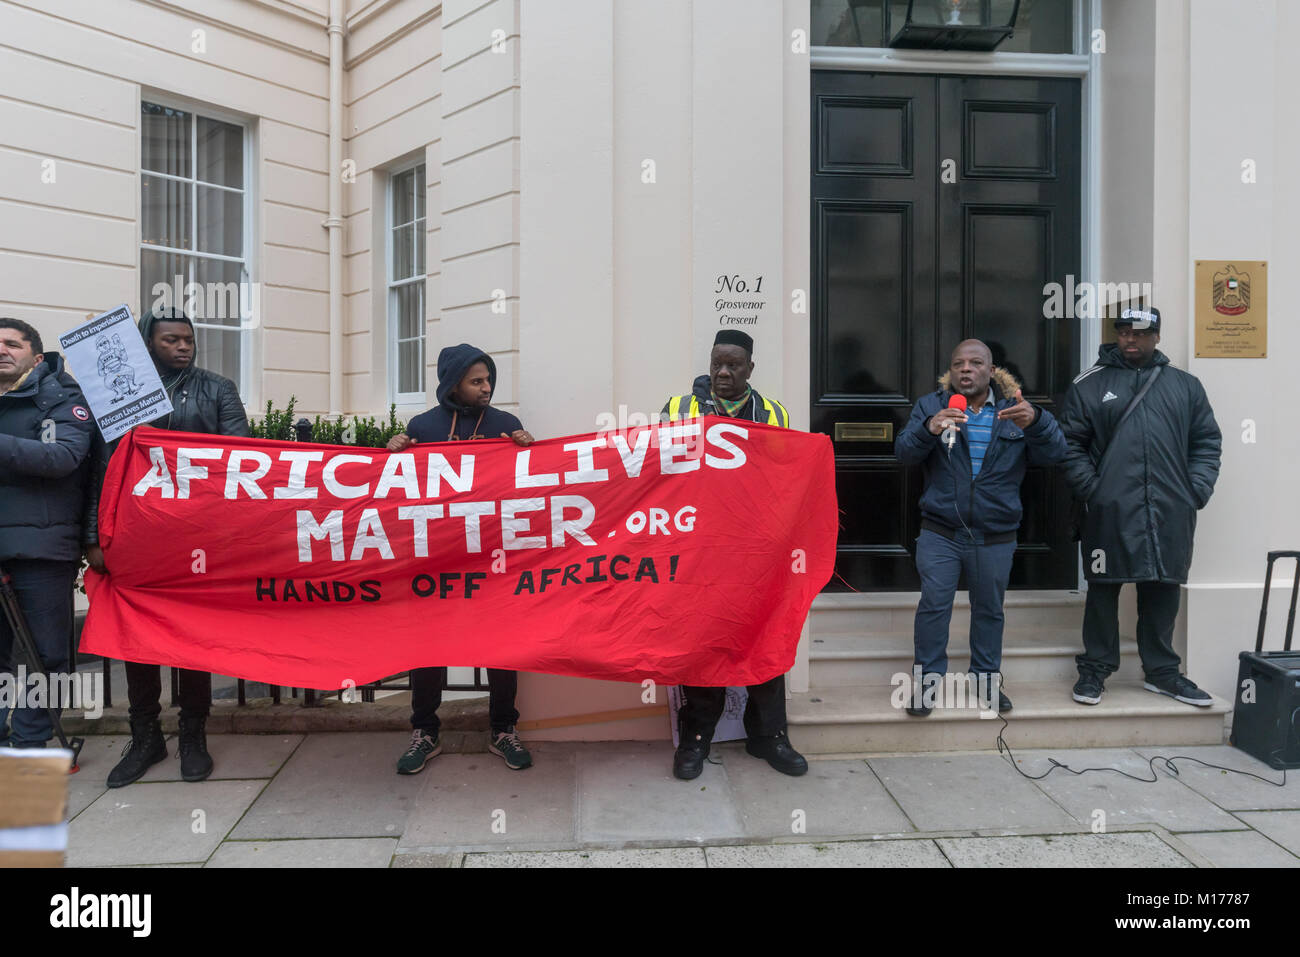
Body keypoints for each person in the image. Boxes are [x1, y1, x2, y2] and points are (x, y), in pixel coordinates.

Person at [87, 308, 250, 787]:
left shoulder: (218, 389)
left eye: (188, 340)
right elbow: (100, 471)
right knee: (137, 636)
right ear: (146, 344)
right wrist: (92, 539)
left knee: (192, 635)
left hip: (196, 538)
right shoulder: (119, 395)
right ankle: (145, 737)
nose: (183, 347)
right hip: (136, 537)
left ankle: (193, 733)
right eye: (170, 340)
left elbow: (239, 460)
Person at [894, 340, 1068, 716]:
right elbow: (904, 452)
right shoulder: (931, 405)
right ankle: (926, 686)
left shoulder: (1015, 409)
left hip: (995, 534)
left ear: (991, 370)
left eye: (975, 363)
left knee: (989, 610)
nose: (965, 370)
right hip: (941, 531)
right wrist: (929, 427)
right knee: (934, 607)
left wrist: (1037, 423)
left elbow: (1056, 454)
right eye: (958, 363)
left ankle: (986, 681)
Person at [1059, 307, 1221, 707]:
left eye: (1140, 334)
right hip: (1108, 510)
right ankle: (1094, 671)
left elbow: (1206, 443)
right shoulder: (1090, 383)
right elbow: (1070, 444)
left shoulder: (1186, 386)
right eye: (1124, 332)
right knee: (1103, 590)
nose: (1130, 340)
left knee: (1163, 589)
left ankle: (1163, 673)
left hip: (1170, 509)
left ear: (1157, 337)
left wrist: (1194, 490)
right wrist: (1094, 490)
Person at [661, 329, 805, 780]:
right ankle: (696, 739)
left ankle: (768, 736)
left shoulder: (774, 413)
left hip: (757, 550)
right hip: (700, 548)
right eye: (716, 363)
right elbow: (658, 473)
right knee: (704, 643)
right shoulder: (679, 408)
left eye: (733, 365)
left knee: (765, 638)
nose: (723, 372)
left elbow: (785, 480)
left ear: (750, 369)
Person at [386, 343, 535, 773]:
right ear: (454, 383)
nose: (487, 387)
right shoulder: (422, 426)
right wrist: (392, 452)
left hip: (492, 560)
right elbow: (396, 491)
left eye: (489, 379)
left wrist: (528, 451)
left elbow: (528, 490)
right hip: (436, 559)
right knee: (429, 645)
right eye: (477, 381)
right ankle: (425, 732)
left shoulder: (506, 425)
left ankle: (504, 729)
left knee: (501, 647)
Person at [0, 318, 95, 748]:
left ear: (36, 358)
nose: (2, 350)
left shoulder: (60, 397)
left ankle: (30, 741)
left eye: (12, 344)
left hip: (39, 549)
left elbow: (60, 457)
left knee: (48, 654)